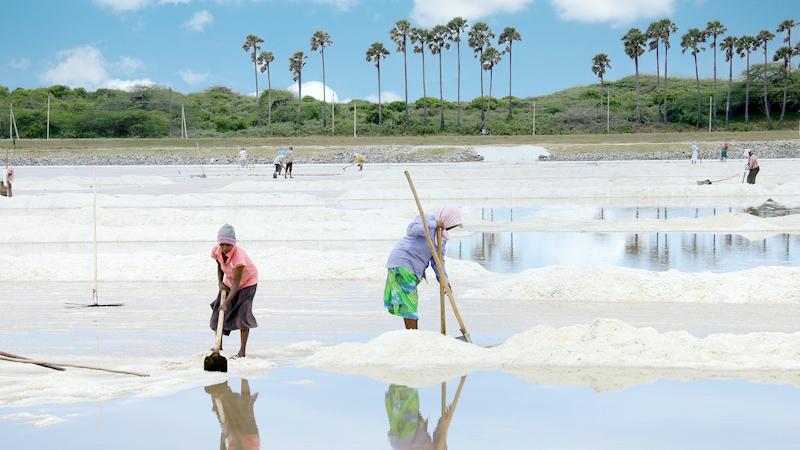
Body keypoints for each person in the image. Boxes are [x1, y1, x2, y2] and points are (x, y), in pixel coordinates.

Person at [384, 207, 462, 330]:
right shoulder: (427, 219)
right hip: (404, 261)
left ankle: (411, 333)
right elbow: (411, 230)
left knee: (407, 301)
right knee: (409, 301)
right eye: (452, 225)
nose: (450, 228)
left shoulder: (441, 237)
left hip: (411, 266)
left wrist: (444, 280)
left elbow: (438, 262)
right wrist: (434, 224)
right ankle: (413, 335)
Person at [209, 224, 258, 358]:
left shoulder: (239, 256)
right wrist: (220, 283)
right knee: (218, 312)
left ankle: (242, 351)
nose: (225, 248)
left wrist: (227, 303)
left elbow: (237, 283)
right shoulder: (217, 250)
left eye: (228, 245)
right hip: (229, 281)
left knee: (243, 315)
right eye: (222, 244)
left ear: (233, 244)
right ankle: (218, 345)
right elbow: (220, 266)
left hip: (247, 284)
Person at [205, 379, 260, 450]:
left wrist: (224, 433)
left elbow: (222, 446)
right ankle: (244, 378)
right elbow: (237, 440)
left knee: (222, 411)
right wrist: (229, 431)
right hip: (249, 436)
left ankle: (219, 388)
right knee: (245, 405)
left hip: (234, 442)